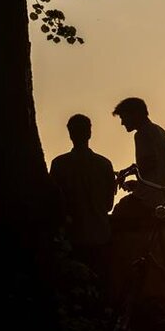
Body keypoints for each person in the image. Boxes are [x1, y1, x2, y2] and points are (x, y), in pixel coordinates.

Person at [49, 114, 116, 272]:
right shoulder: (104, 164)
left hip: (73, 238)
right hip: (101, 236)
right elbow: (108, 205)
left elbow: (54, 202)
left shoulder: (59, 165)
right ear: (90, 133)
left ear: (70, 134)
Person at [112, 97, 165, 217]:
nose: (122, 123)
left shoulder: (142, 134)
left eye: (124, 118)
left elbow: (147, 164)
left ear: (135, 114)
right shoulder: (159, 131)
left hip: (154, 197)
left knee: (119, 210)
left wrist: (127, 173)